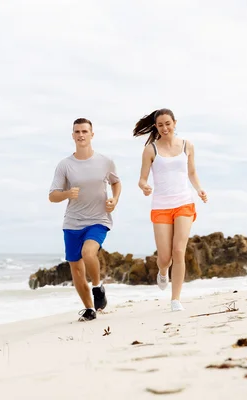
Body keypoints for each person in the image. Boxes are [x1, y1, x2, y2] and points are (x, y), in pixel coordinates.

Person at [134, 108, 207, 312]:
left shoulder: (187, 145)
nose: (164, 128)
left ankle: (175, 299)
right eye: (160, 125)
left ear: (175, 122)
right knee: (165, 257)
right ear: (156, 127)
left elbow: (191, 172)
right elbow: (142, 178)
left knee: (178, 251)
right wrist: (144, 186)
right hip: (161, 206)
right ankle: (163, 271)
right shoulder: (151, 149)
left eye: (168, 123)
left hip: (184, 203)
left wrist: (199, 189)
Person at [49, 118, 121, 321]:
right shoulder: (65, 165)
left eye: (84, 131)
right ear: (73, 135)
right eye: (77, 132)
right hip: (72, 223)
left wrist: (114, 200)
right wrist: (66, 194)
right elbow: (52, 196)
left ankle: (97, 287)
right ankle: (89, 309)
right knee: (77, 270)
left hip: (98, 219)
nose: (81, 135)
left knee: (88, 253)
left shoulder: (105, 161)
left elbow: (116, 183)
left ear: (92, 134)